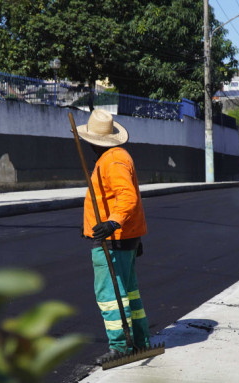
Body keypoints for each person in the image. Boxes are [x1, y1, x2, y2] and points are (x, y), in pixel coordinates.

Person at [77, 110, 151, 365]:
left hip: (115, 239)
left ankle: (121, 346)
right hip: (125, 236)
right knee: (129, 292)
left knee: (110, 295)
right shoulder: (116, 156)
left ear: (92, 141)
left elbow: (127, 197)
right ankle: (140, 342)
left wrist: (112, 223)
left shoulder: (112, 160)